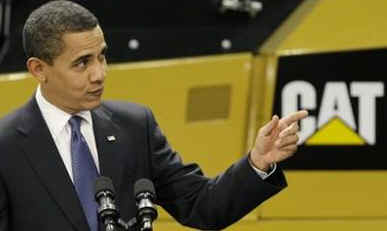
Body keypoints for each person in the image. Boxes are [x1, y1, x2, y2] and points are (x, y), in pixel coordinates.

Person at [0, 1, 308, 231]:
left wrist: (257, 163)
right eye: (82, 63)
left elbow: (202, 206)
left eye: (102, 56)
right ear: (38, 69)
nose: (99, 74)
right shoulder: (6, 145)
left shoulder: (134, 126)